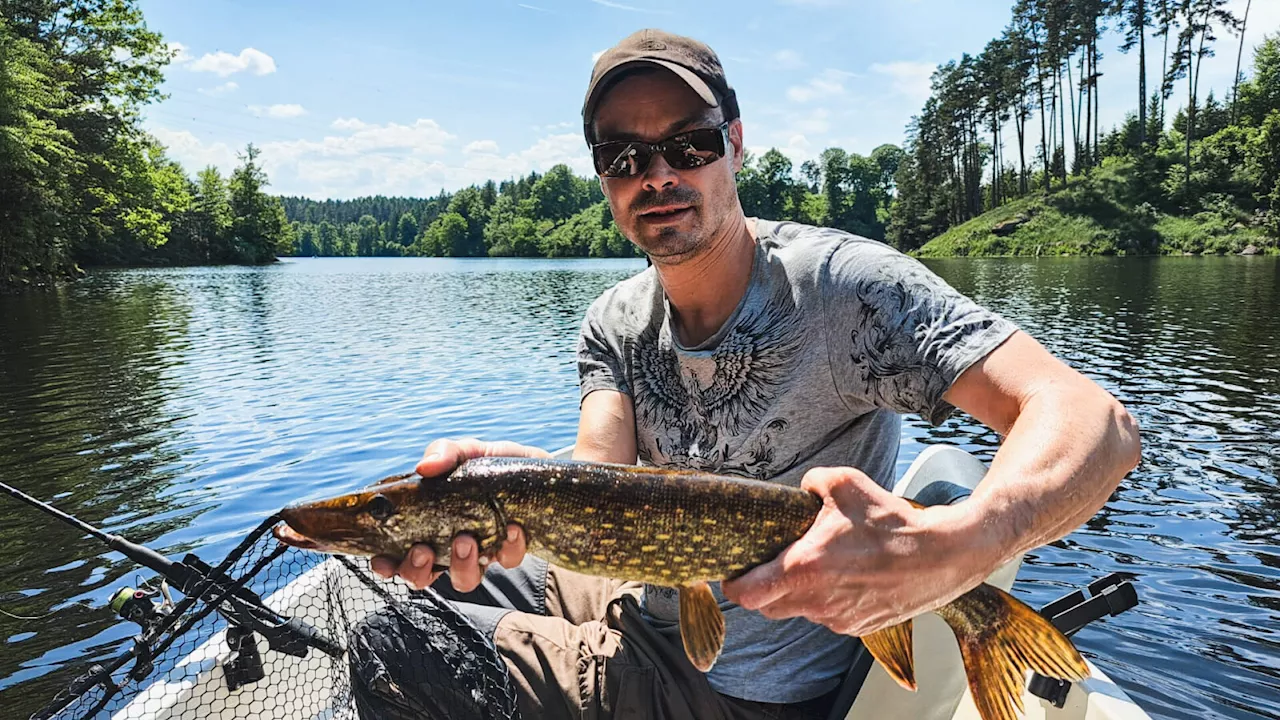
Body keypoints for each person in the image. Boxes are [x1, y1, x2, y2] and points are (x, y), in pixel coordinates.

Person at [366, 28, 1141, 720]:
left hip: (744, 691)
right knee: (408, 586)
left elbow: (1092, 419)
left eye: (689, 145)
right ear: (604, 179)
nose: (658, 174)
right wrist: (502, 480)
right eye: (624, 157)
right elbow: (602, 478)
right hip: (650, 601)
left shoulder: (847, 290)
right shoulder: (614, 319)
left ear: (736, 143)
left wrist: (959, 547)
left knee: (391, 645)